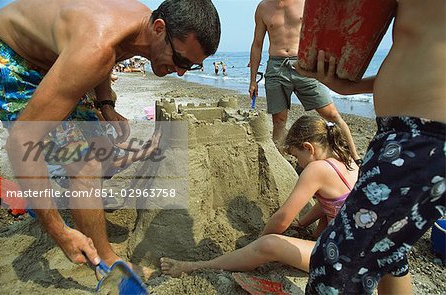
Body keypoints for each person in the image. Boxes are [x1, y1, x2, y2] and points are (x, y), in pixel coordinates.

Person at [0, 0, 220, 278]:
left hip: (61, 56)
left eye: (192, 67)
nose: (182, 72)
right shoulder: (96, 47)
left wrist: (105, 104)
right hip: (13, 56)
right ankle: (106, 261)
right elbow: (20, 142)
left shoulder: (141, 25)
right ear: (160, 28)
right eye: (181, 60)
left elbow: (110, 54)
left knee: (102, 146)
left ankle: (77, 196)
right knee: (84, 164)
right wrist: (60, 232)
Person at [296, 1, 445, 293]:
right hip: (401, 134)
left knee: (335, 266)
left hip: (426, 139)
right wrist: (351, 87)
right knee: (390, 257)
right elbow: (422, 52)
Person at [160, 115, 359, 277]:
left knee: (268, 245)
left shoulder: (316, 169)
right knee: (327, 218)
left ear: (309, 148)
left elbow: (282, 219)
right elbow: (333, 204)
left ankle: (198, 266)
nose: (299, 164)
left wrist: (261, 241)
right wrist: (302, 224)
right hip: (362, 250)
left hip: (343, 259)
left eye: (297, 157)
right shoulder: (347, 160)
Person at [249, 0, 360, 163]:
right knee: (279, 120)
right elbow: (257, 45)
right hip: (276, 67)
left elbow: (328, 31)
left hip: (305, 63)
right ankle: (280, 167)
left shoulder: (306, 2)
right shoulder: (263, 8)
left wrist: (329, 62)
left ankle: (356, 158)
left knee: (332, 115)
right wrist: (253, 80)